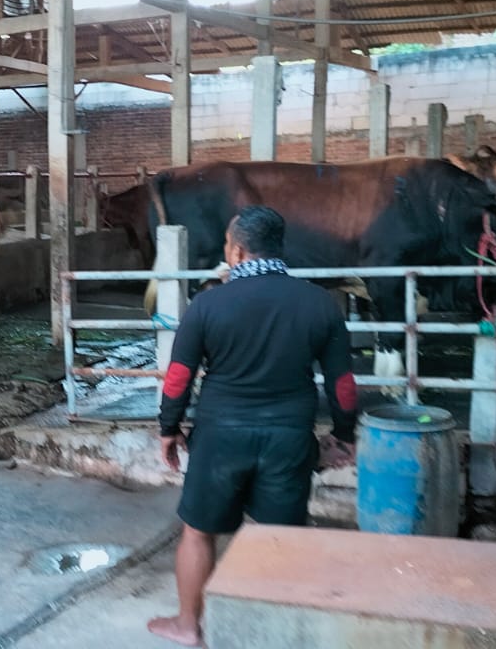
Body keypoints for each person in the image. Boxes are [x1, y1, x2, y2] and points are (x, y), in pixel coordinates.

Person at [146, 205, 358, 647]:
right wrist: (343, 435)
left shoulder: (208, 304)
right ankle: (272, 635)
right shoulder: (320, 303)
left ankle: (188, 625)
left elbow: (179, 376)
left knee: (198, 532)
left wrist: (169, 428)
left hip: (219, 437)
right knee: (277, 538)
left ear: (238, 251)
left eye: (228, 245)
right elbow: (342, 383)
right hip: (288, 438)